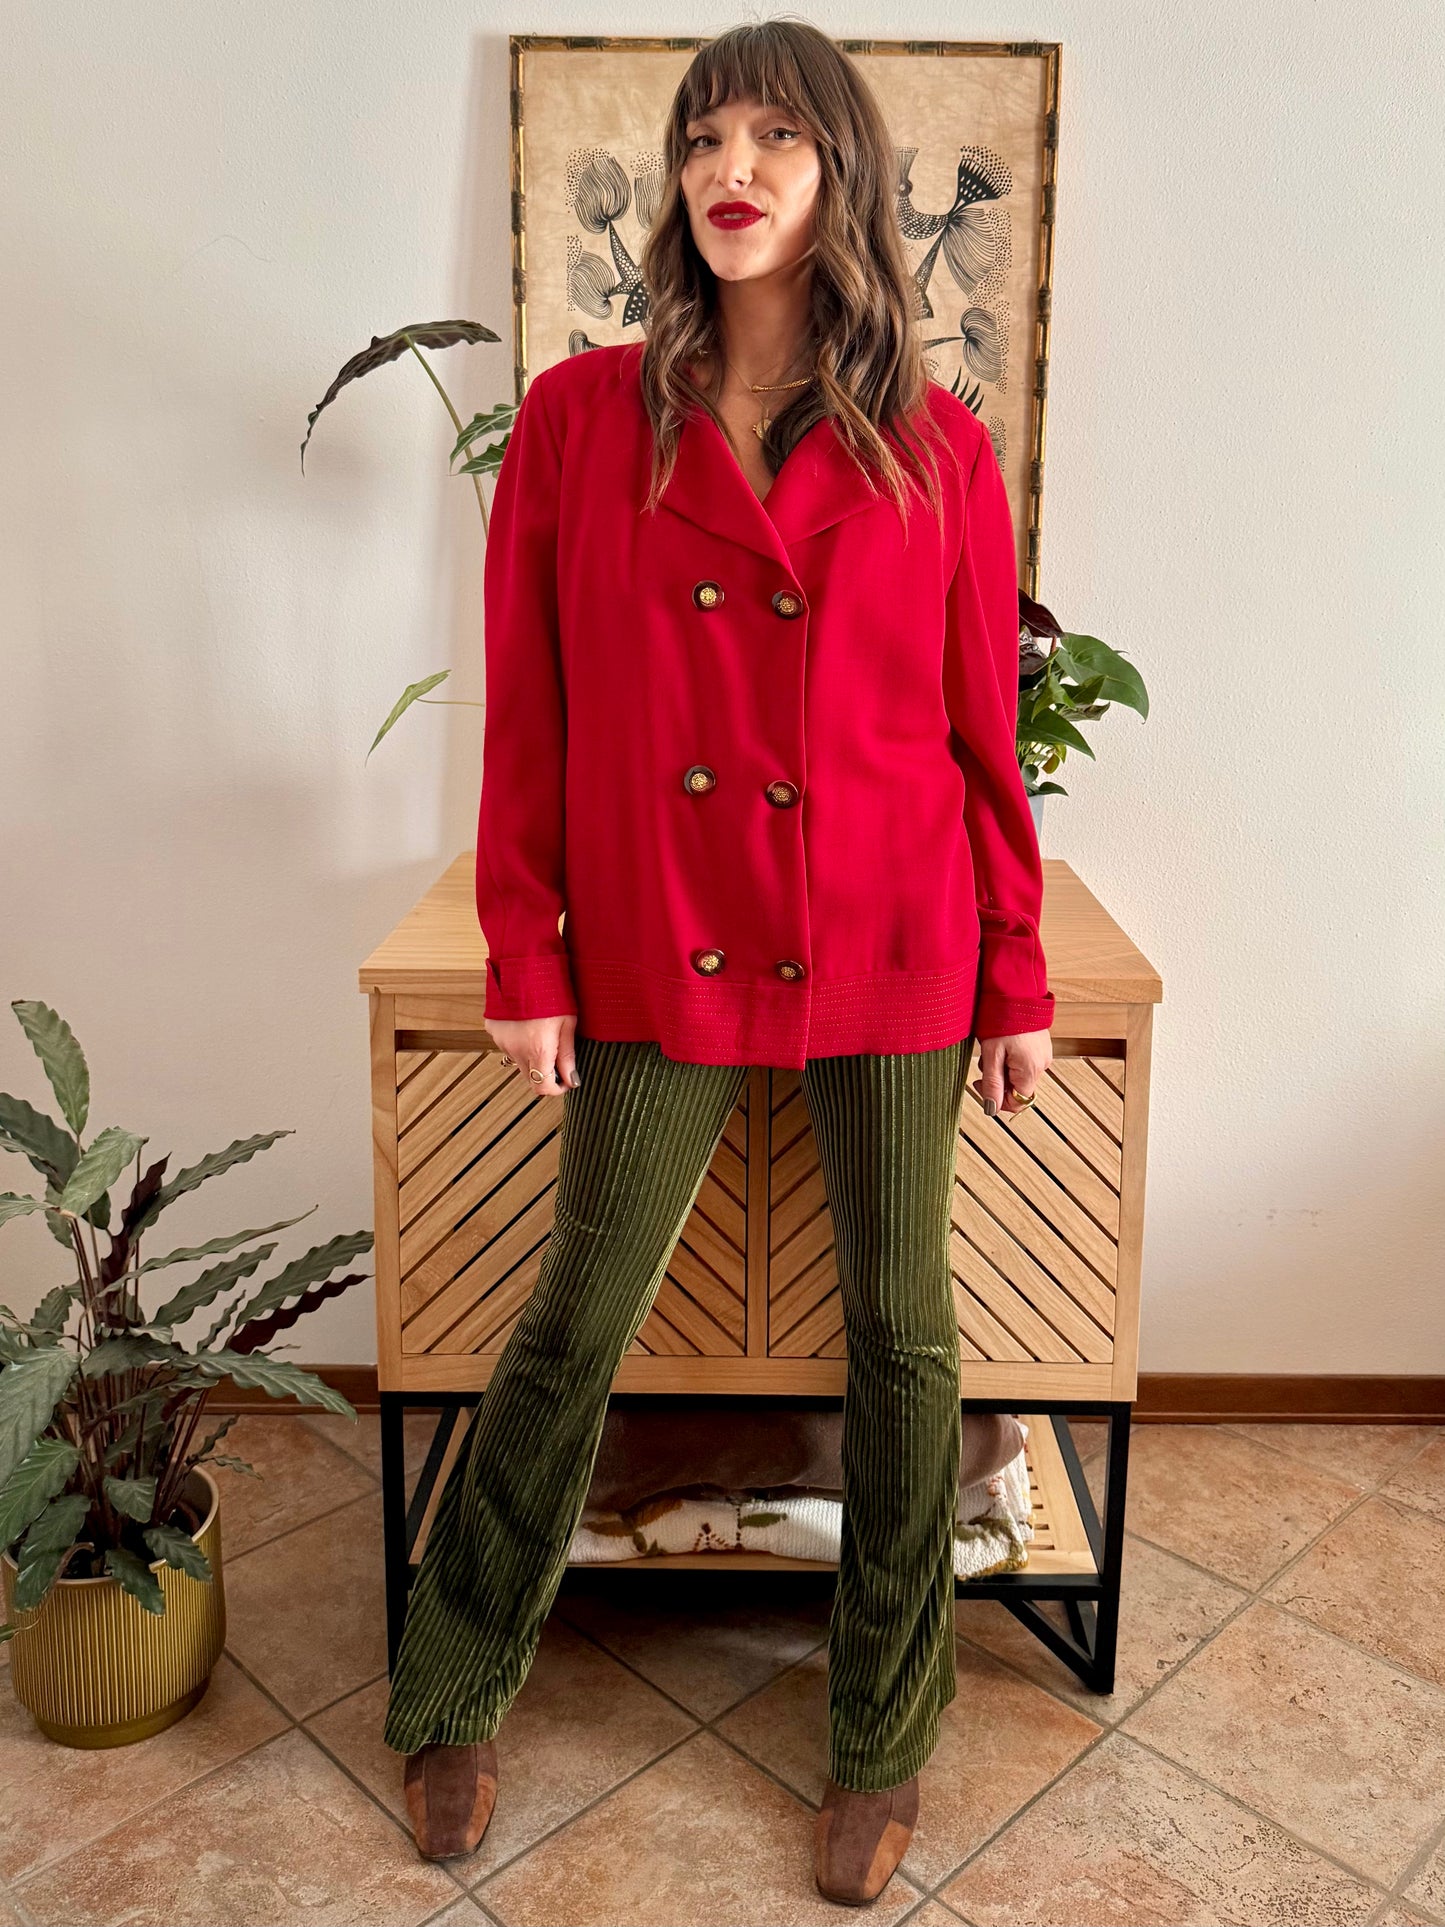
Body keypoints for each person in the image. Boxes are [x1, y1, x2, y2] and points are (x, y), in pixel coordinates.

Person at [382, 19, 1055, 1907]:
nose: (728, 166)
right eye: (701, 138)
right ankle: (453, 1682)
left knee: (907, 1343)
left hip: (888, 928)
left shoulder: (931, 449)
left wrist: (1011, 965)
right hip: (662, 935)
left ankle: (880, 1739)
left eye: (773, 134)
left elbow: (971, 737)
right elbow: (530, 717)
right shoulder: (588, 424)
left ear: (837, 170)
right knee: (575, 1316)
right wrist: (527, 947)